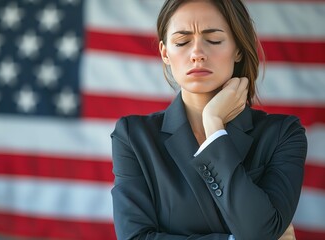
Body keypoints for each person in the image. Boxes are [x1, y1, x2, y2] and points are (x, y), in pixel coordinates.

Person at [110, 0, 307, 239]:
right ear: (165, 53)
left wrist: (214, 127)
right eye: (182, 42)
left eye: (213, 39)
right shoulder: (133, 136)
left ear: (238, 48)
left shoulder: (283, 134)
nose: (197, 54)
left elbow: (261, 230)